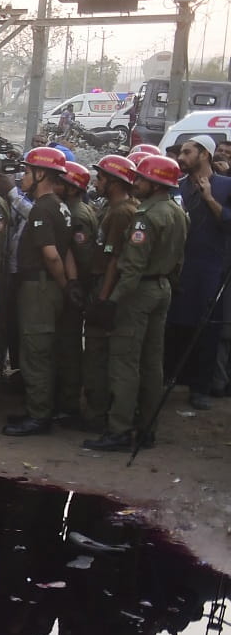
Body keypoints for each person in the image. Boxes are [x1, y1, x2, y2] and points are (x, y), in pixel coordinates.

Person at [84, 154, 186, 452]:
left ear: (154, 184)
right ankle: (147, 428)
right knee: (152, 363)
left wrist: (112, 301)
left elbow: (132, 268)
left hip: (137, 292)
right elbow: (179, 258)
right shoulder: (177, 212)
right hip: (162, 287)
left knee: (124, 363)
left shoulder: (146, 216)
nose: (136, 183)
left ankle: (119, 429)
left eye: (140, 179)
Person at [2, 148, 78, 435]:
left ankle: (39, 415)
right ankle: (38, 408)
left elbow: (52, 254)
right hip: (47, 286)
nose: (22, 178)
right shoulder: (59, 206)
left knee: (35, 352)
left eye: (27, 172)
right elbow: (66, 249)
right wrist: (68, 284)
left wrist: (61, 284)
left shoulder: (43, 209)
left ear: (41, 174)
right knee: (41, 350)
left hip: (40, 287)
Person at [170, 136, 231, 410]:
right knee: (176, 326)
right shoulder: (178, 187)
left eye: (187, 152)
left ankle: (201, 388)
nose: (181, 157)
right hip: (182, 268)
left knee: (206, 329)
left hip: (211, 269)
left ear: (204, 154)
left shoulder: (225, 186)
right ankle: (174, 379)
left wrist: (208, 198)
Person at [56, 161, 102, 426]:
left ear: (73, 189)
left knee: (69, 347)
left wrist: (77, 286)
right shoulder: (72, 210)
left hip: (77, 288)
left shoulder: (77, 214)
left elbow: (83, 257)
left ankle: (70, 402)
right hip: (75, 286)